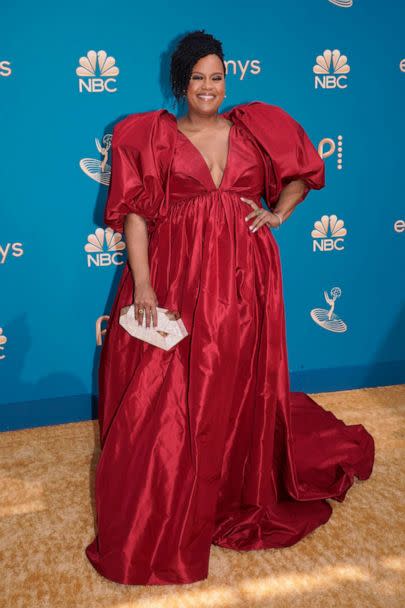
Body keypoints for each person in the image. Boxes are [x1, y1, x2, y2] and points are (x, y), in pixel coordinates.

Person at [85, 30, 375, 586]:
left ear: (227, 79)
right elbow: (136, 217)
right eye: (198, 77)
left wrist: (279, 215)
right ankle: (167, 509)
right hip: (177, 280)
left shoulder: (254, 128)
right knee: (165, 399)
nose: (208, 86)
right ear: (181, 82)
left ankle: (232, 494)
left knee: (237, 387)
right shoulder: (150, 135)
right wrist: (143, 285)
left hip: (246, 283)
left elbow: (302, 174)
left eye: (216, 76)